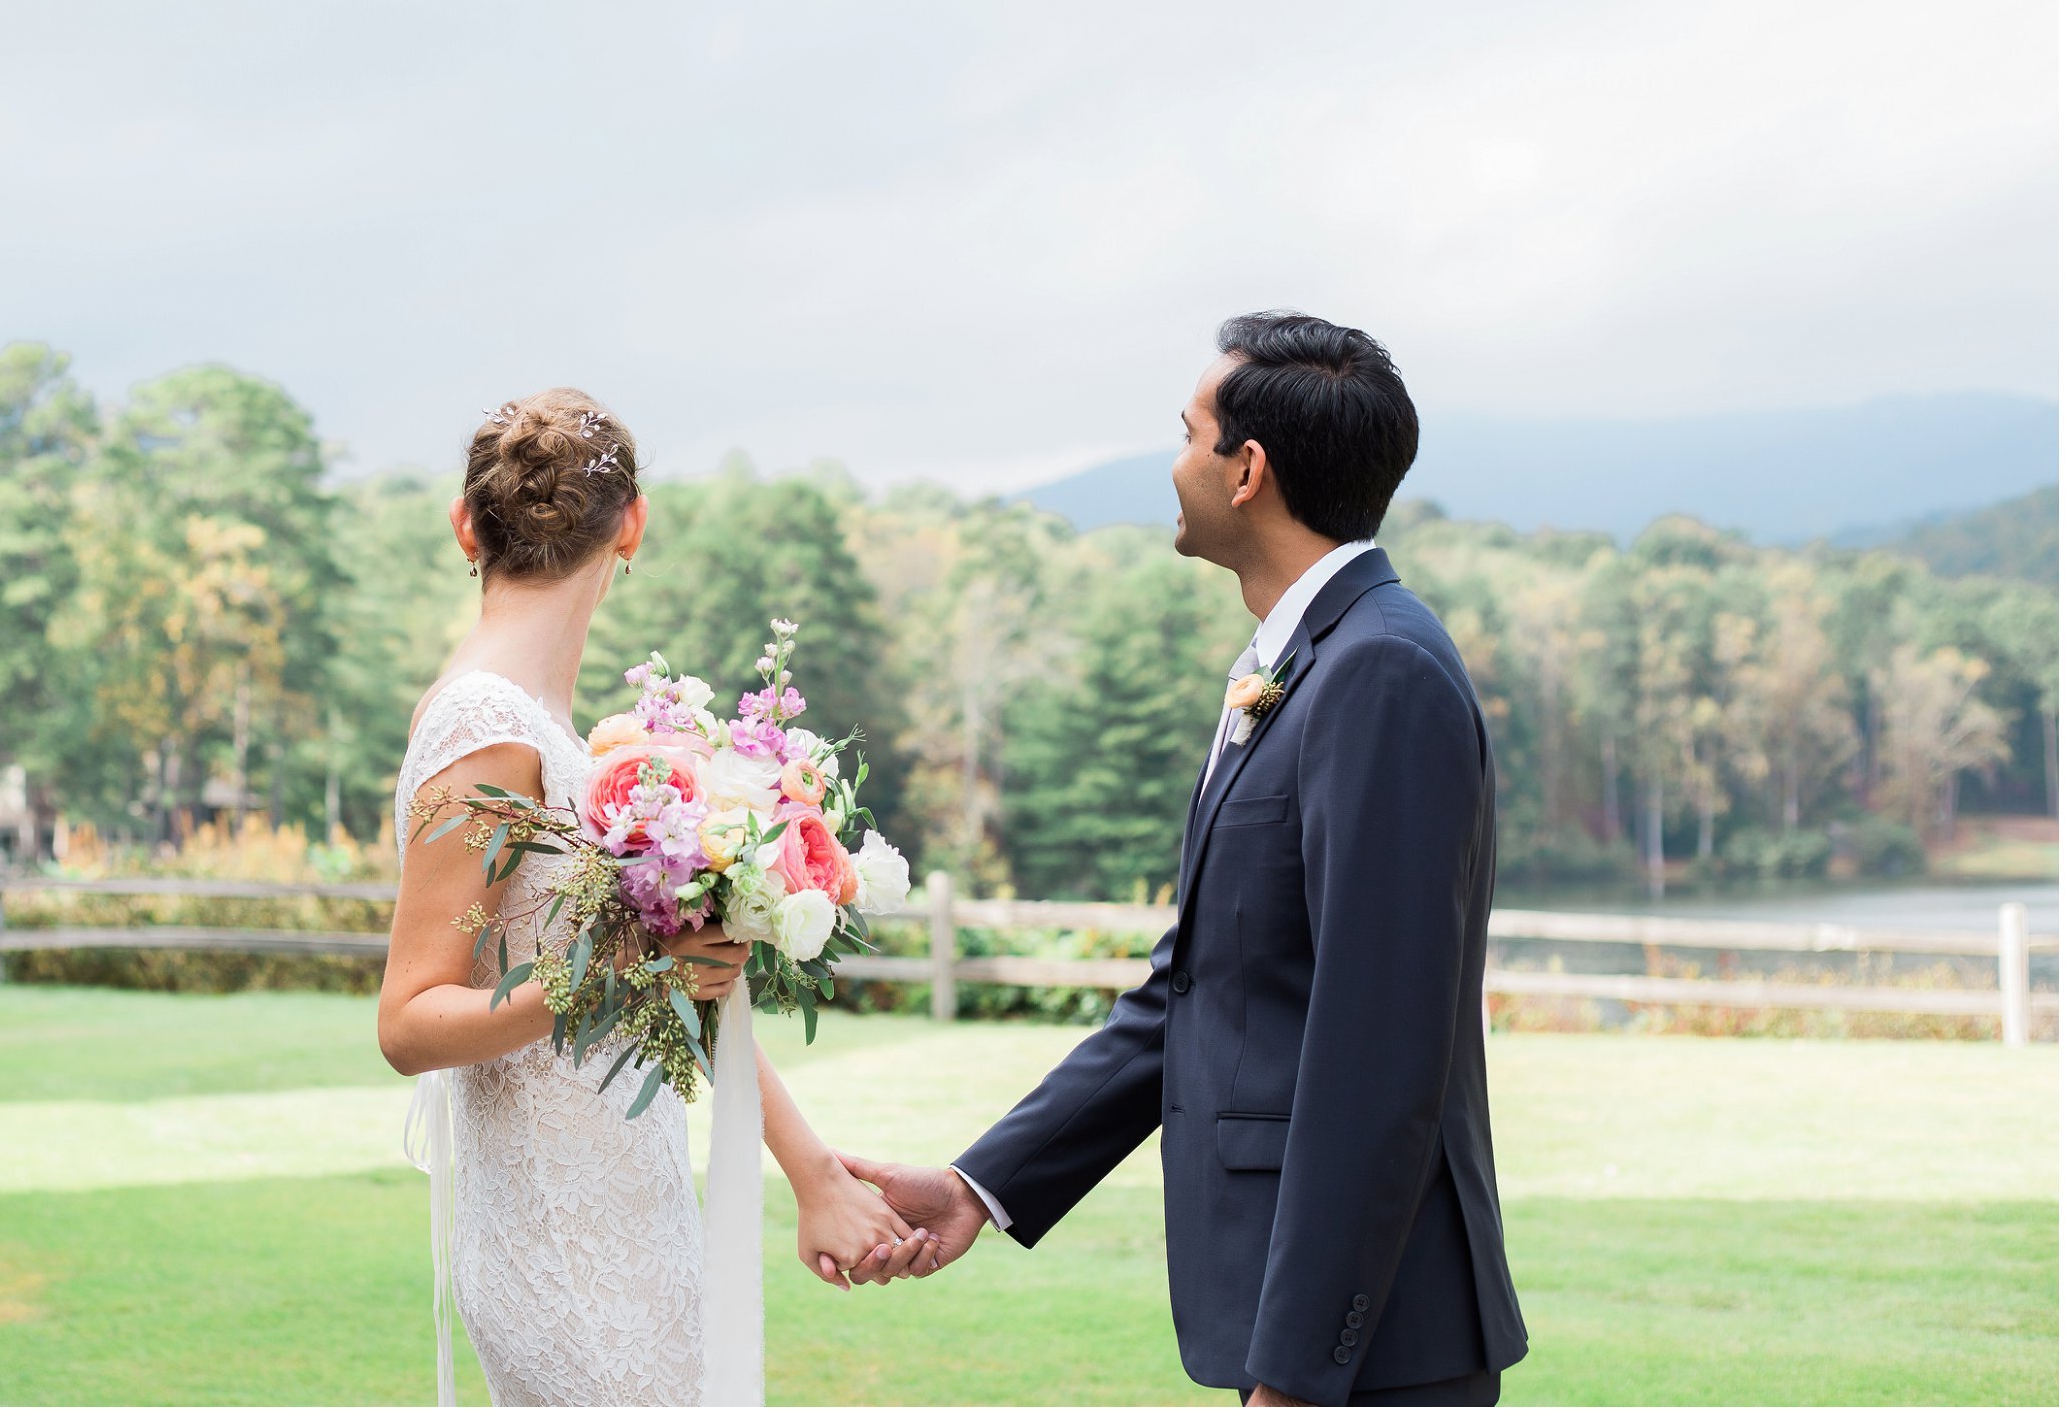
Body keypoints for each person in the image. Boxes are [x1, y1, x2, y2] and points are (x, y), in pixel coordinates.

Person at [831, 315, 1529, 1406]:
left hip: (1372, 1346)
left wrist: (1300, 1372)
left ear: (1247, 470)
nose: (1171, 462)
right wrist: (983, 1186)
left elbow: (1381, 1047)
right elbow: (1196, 990)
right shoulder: (1303, 661)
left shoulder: (1378, 672)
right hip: (1288, 1327)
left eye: (1187, 432)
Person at [376, 389, 919, 1406]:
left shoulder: (559, 733)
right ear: (633, 525)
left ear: (465, 524)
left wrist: (811, 1172)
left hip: (639, 1211)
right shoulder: (485, 729)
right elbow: (410, 1021)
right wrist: (614, 974)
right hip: (560, 1241)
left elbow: (687, 979)